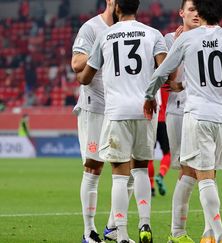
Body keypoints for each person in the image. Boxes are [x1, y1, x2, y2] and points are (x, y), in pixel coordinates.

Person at [144, 0, 222, 242]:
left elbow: (161, 72)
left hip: (198, 115)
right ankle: (206, 233)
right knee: (207, 175)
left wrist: (148, 95)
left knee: (200, 177)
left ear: (201, 12)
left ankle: (216, 233)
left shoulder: (187, 39)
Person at [77, 0, 168, 242]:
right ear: (138, 7)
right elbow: (165, 71)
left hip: (116, 112)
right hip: (145, 111)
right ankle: (145, 224)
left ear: (117, 7)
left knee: (119, 175)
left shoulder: (105, 36)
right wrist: (150, 95)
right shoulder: (153, 34)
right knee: (139, 170)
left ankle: (122, 235)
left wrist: (80, 72)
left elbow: (86, 78)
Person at [71, 1, 114, 242]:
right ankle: (89, 231)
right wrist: (102, 51)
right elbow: (76, 64)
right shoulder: (91, 28)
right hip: (95, 108)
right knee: (93, 167)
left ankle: (113, 226)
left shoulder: (132, 28)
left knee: (127, 169)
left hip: (119, 109)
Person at [161, 1, 203, 242]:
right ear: (181, 13)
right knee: (189, 169)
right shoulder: (169, 39)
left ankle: (185, 232)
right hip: (179, 110)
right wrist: (177, 46)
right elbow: (170, 79)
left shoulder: (209, 36)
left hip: (204, 111)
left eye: (198, 10)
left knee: (204, 170)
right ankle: (177, 232)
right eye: (190, 10)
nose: (195, 14)